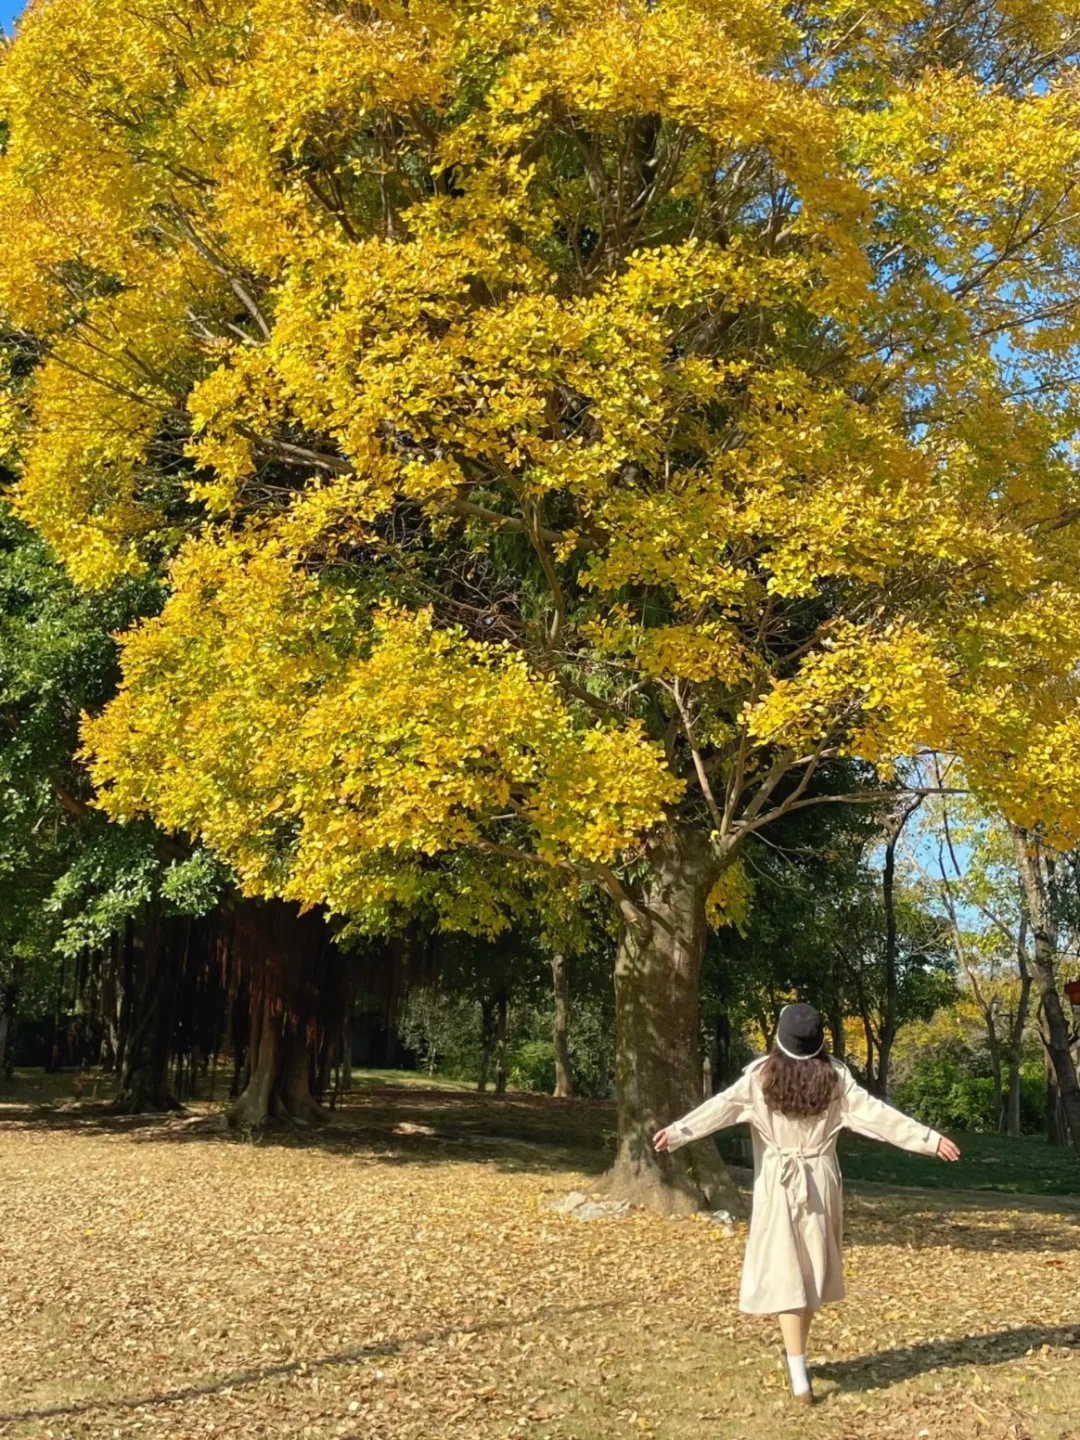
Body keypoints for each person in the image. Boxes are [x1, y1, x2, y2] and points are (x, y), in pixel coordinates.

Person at [653, 1002, 961, 1406]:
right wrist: (929, 1139)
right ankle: (799, 1368)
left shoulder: (763, 1077)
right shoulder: (835, 1079)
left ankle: (797, 1366)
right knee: (807, 1274)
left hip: (779, 1185)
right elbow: (881, 1118)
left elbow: (720, 1109)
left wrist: (678, 1133)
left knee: (792, 1275)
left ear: (779, 1039)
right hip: (817, 1181)